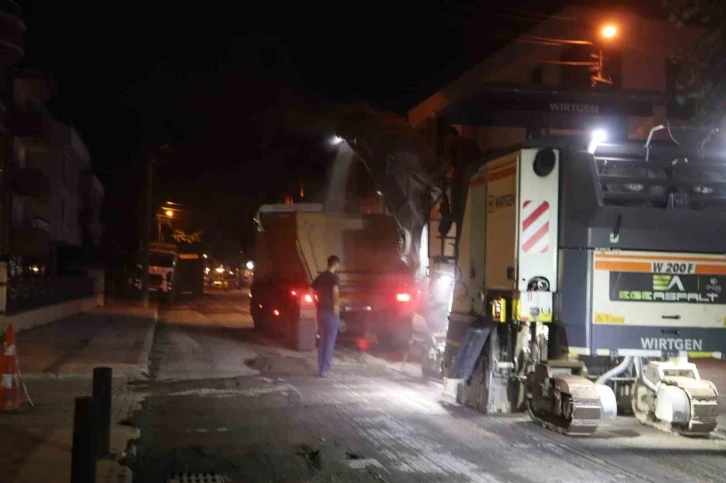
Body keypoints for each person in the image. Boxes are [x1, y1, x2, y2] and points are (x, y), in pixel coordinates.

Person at [311, 255, 341, 377]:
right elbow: (335, 291)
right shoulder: (334, 277)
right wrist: (335, 305)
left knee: (322, 341)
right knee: (330, 341)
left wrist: (316, 302)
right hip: (330, 312)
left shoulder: (321, 277)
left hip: (320, 311)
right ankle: (325, 370)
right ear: (335, 265)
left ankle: (320, 368)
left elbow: (311, 289)